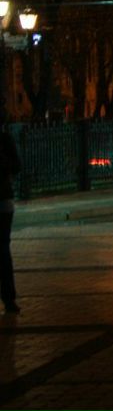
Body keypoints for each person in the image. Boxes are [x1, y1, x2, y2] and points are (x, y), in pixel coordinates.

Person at [1, 129, 20, 314]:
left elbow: (16, 166)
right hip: (4, 200)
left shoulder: (4, 137)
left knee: (3, 249)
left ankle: (8, 298)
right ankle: (8, 299)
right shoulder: (5, 136)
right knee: (3, 250)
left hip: (2, 200)